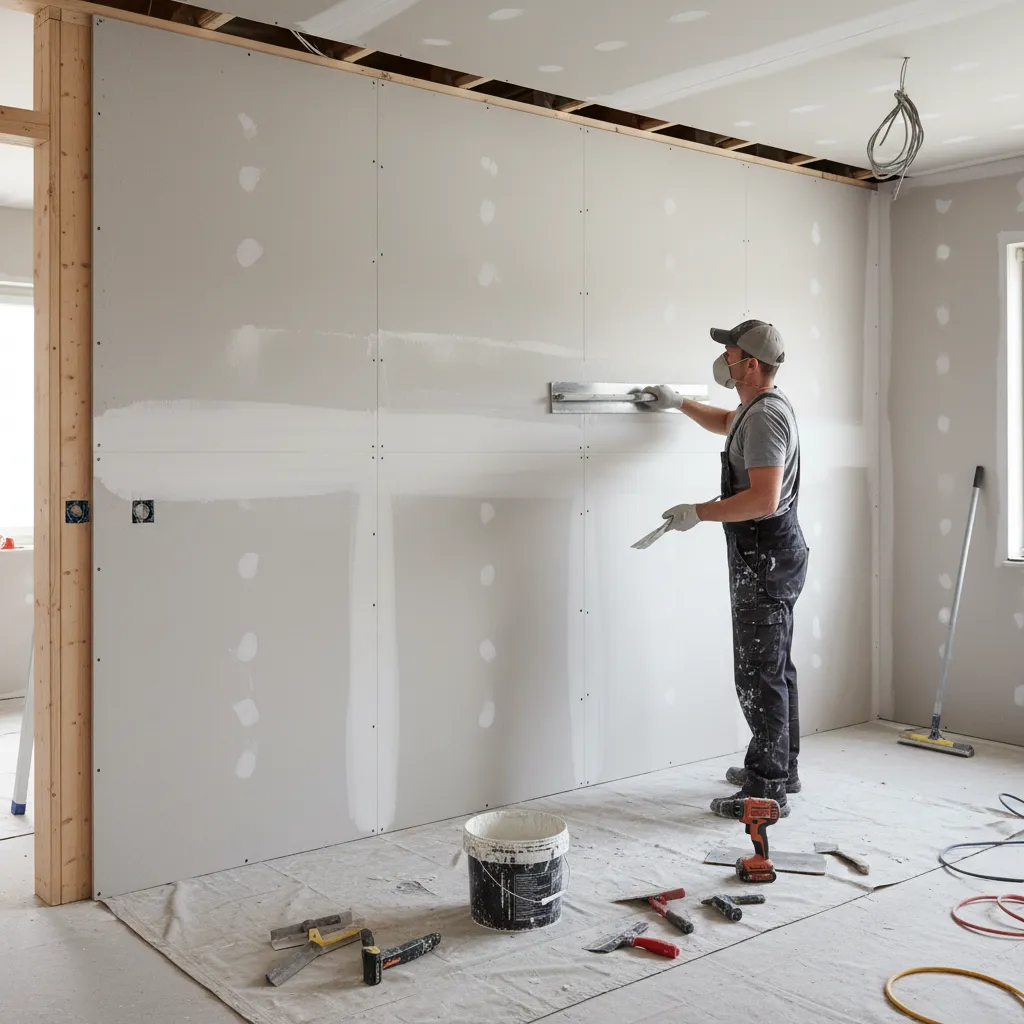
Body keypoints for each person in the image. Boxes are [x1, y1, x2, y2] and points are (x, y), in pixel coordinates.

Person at [644, 320, 808, 818]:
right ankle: (783, 767)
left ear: (750, 364)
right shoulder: (755, 409)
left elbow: (763, 497)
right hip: (770, 555)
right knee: (775, 667)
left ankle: (766, 787)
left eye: (731, 353)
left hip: (765, 558)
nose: (725, 360)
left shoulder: (764, 418)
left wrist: (699, 511)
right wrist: (679, 404)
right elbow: (726, 423)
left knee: (760, 674)